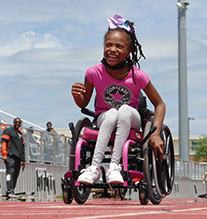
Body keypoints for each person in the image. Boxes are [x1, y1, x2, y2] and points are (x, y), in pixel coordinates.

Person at [71, 14, 166, 184]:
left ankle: (115, 167)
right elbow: (83, 103)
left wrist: (156, 133)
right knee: (113, 112)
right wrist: (77, 95)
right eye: (108, 45)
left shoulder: (138, 75)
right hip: (105, 118)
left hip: (131, 118)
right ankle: (94, 169)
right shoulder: (93, 73)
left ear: (129, 51)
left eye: (119, 46)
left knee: (122, 110)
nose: (112, 49)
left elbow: (160, 104)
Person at [0, 118, 26, 200]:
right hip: (11, 156)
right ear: (13, 123)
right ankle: (9, 191)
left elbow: (22, 147)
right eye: (16, 122)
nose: (18, 123)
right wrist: (4, 154)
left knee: (15, 175)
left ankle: (12, 191)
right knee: (10, 174)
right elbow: (4, 142)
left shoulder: (20, 133)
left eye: (19, 122)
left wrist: (23, 160)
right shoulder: (8, 131)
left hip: (18, 158)